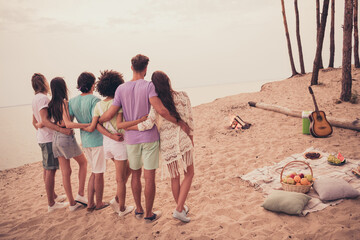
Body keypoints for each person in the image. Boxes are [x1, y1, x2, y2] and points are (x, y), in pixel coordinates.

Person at [99, 54, 190, 222]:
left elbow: (110, 113)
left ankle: (139, 209)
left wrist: (97, 119)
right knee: (149, 177)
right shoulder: (149, 87)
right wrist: (180, 122)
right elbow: (161, 111)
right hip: (149, 138)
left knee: (135, 175)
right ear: (146, 68)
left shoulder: (121, 89)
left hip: (131, 140)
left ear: (132, 68)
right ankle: (149, 214)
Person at [129, 71, 194, 223]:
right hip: (182, 138)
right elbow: (189, 120)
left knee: (174, 177)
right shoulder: (183, 96)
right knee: (189, 174)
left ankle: (181, 207)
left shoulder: (156, 103)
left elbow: (147, 124)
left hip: (166, 142)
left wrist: (128, 127)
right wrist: (191, 138)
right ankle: (179, 209)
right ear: (168, 81)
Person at [84, 70, 140, 216]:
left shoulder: (98, 106)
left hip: (107, 144)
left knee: (128, 169)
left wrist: (110, 136)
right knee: (120, 179)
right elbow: (123, 122)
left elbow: (97, 125)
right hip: (119, 142)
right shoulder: (118, 103)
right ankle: (121, 208)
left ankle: (116, 199)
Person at [69, 72, 115, 211]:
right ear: (92, 85)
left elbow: (70, 121)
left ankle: (90, 203)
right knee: (98, 172)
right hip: (97, 140)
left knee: (94, 171)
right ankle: (98, 202)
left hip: (85, 141)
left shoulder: (73, 101)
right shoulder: (95, 101)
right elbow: (100, 121)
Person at [47, 77, 89, 211]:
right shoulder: (63, 102)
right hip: (65, 138)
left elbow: (49, 123)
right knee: (83, 163)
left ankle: (72, 204)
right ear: (63, 87)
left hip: (55, 139)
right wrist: (87, 124)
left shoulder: (50, 105)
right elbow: (67, 123)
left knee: (66, 172)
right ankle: (80, 194)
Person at [31, 73, 71, 212]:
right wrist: (62, 129)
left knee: (46, 168)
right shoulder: (43, 99)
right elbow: (45, 120)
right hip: (48, 139)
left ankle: (53, 196)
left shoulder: (35, 99)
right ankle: (51, 204)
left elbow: (35, 122)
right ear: (43, 83)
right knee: (50, 170)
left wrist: (40, 125)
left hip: (42, 137)